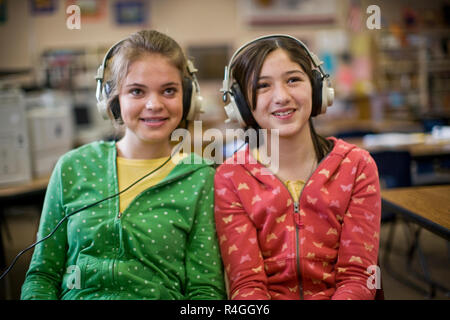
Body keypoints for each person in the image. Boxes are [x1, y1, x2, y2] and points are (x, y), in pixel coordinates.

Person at [21, 30, 226, 300]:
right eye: (137, 91)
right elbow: (43, 274)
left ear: (187, 99)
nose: (154, 104)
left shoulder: (200, 177)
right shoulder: (73, 167)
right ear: (114, 100)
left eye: (168, 90)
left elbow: (205, 290)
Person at [214, 34, 381, 300]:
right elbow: (247, 286)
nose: (281, 96)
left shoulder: (357, 166)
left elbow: (358, 278)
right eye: (262, 86)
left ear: (317, 88)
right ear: (240, 105)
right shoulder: (231, 178)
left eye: (293, 80)